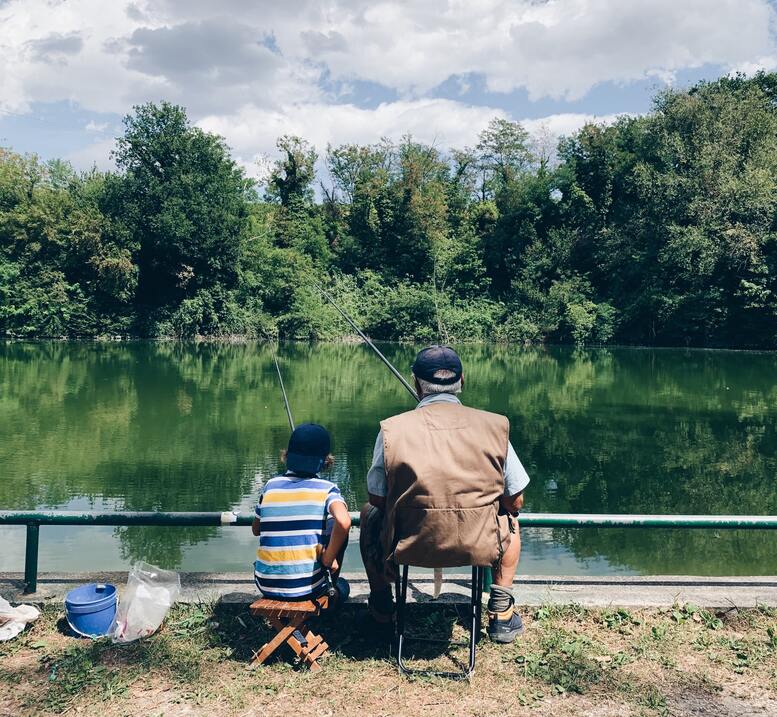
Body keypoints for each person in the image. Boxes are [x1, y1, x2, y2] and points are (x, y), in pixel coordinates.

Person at [360, 346, 529, 643]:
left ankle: (382, 608)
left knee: (369, 514)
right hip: (479, 544)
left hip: (408, 544)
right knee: (511, 521)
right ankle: (501, 614)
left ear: (416, 383)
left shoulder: (391, 430)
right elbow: (514, 500)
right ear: (463, 380)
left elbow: (377, 499)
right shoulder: (494, 426)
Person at [252, 423, 351, 605]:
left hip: (265, 584)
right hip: (307, 589)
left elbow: (256, 530)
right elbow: (344, 522)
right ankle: (331, 591)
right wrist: (328, 558)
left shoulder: (270, 486)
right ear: (325, 461)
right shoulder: (328, 490)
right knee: (344, 587)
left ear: (287, 455)